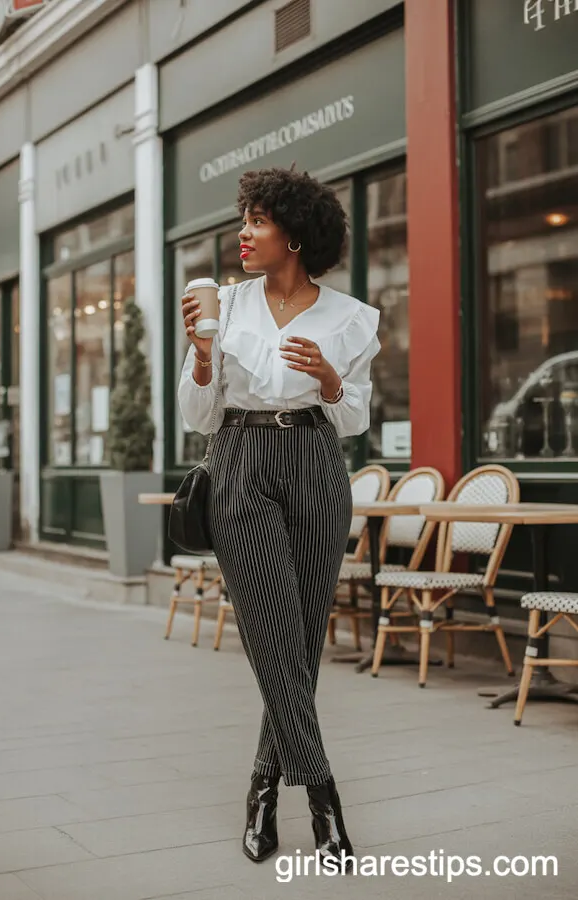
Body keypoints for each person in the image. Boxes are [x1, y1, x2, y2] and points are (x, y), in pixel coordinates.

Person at [178, 166, 381, 868]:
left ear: (294, 237)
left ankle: (263, 787)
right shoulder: (221, 306)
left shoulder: (350, 317)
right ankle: (324, 800)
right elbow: (197, 415)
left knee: (298, 641)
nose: (244, 232)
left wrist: (330, 382)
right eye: (246, 219)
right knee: (272, 631)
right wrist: (201, 358)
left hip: (318, 466)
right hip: (240, 459)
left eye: (258, 221)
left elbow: (353, 416)